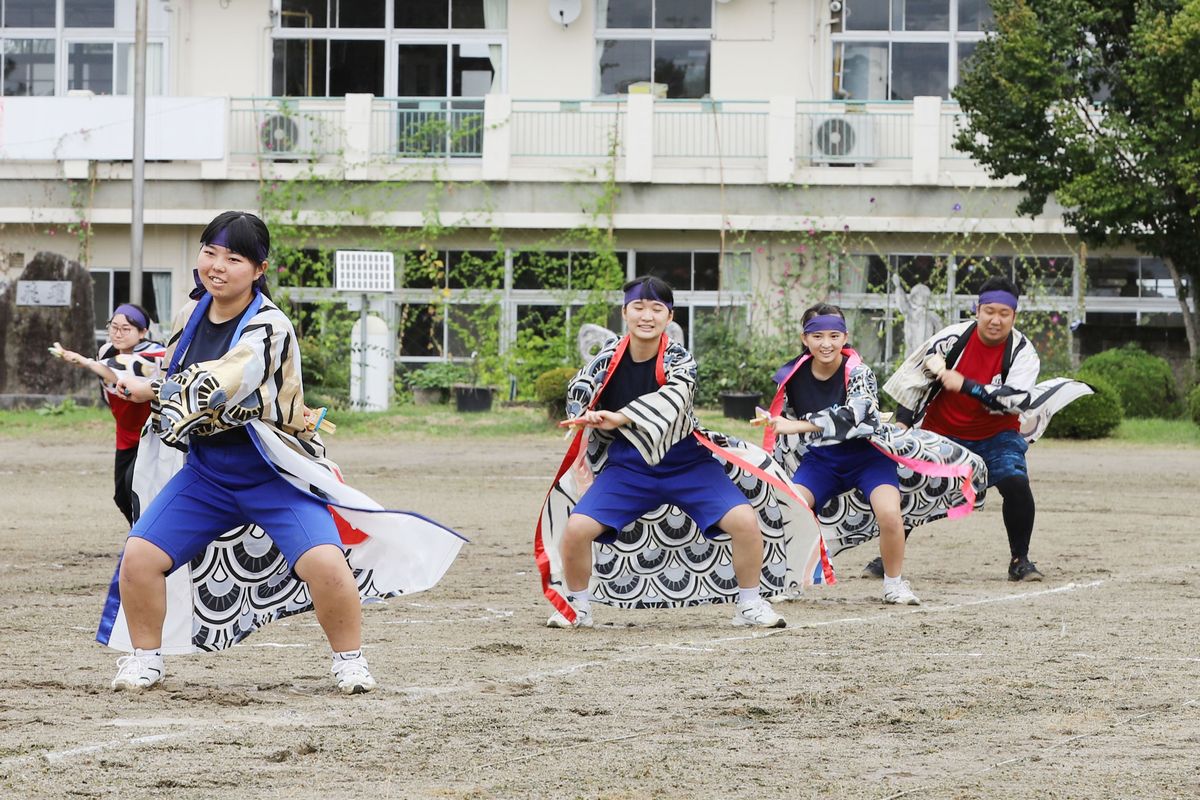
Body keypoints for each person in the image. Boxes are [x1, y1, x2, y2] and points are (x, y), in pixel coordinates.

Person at [97, 211, 464, 694]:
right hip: (207, 474)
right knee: (139, 557)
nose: (218, 266)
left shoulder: (270, 325)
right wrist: (151, 384)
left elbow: (227, 382)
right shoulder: (189, 315)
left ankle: (349, 661)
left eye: (234, 258)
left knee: (327, 565)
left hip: (273, 472)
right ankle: (145, 659)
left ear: (259, 268)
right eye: (210, 252)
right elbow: (174, 374)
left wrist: (153, 390)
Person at [535, 276, 832, 629]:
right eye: (639, 308)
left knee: (745, 521)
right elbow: (581, 391)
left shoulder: (679, 358)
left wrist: (621, 416)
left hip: (686, 462)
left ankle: (749, 604)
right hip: (629, 468)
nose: (647, 316)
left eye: (656, 309)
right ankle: (578, 607)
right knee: (576, 529)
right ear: (624, 312)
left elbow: (674, 399)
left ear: (669, 316)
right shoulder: (607, 358)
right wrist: (588, 414)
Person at [757, 303, 986, 606]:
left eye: (834, 335)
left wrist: (796, 425)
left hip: (869, 457)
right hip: (821, 461)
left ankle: (894, 583)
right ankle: (788, 579)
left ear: (845, 337)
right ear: (805, 339)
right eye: (818, 336)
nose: (826, 343)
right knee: (788, 510)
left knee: (890, 515)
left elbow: (856, 415)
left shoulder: (860, 372)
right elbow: (783, 429)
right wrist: (776, 429)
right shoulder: (791, 376)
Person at [877, 275, 1092, 582]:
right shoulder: (951, 339)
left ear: (1014, 316)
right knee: (909, 485)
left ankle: (1020, 560)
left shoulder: (1022, 352)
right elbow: (914, 383)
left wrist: (966, 385)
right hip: (942, 430)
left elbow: (1014, 400)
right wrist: (902, 426)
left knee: (1016, 484)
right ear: (977, 309)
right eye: (989, 311)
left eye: (1004, 314)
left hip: (997, 435)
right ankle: (886, 557)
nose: (996, 320)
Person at [50, 304, 165, 524]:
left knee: (136, 487)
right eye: (114, 327)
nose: (118, 333)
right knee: (121, 496)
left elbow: (121, 373)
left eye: (125, 328)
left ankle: (146, 540)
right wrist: (90, 362)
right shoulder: (106, 351)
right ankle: (140, 534)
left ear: (142, 333)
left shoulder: (156, 355)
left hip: (151, 433)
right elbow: (108, 376)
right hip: (125, 432)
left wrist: (85, 362)